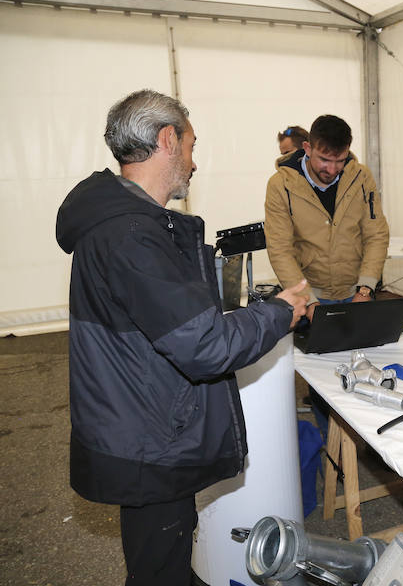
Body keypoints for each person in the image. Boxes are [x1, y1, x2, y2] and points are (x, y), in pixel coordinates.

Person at [55, 89, 309, 585]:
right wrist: (281, 311)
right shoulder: (131, 233)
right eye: (191, 146)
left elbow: (159, 316)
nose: (194, 163)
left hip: (139, 423)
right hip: (148, 438)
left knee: (163, 561)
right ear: (167, 140)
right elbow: (205, 346)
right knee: (159, 571)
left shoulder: (121, 224)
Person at [265, 114, 389, 322]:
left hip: (357, 293)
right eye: (324, 160)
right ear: (307, 148)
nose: (332, 170)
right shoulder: (280, 185)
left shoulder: (362, 177)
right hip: (310, 298)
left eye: (339, 161)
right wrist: (309, 301)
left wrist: (365, 288)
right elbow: (280, 249)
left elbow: (376, 234)